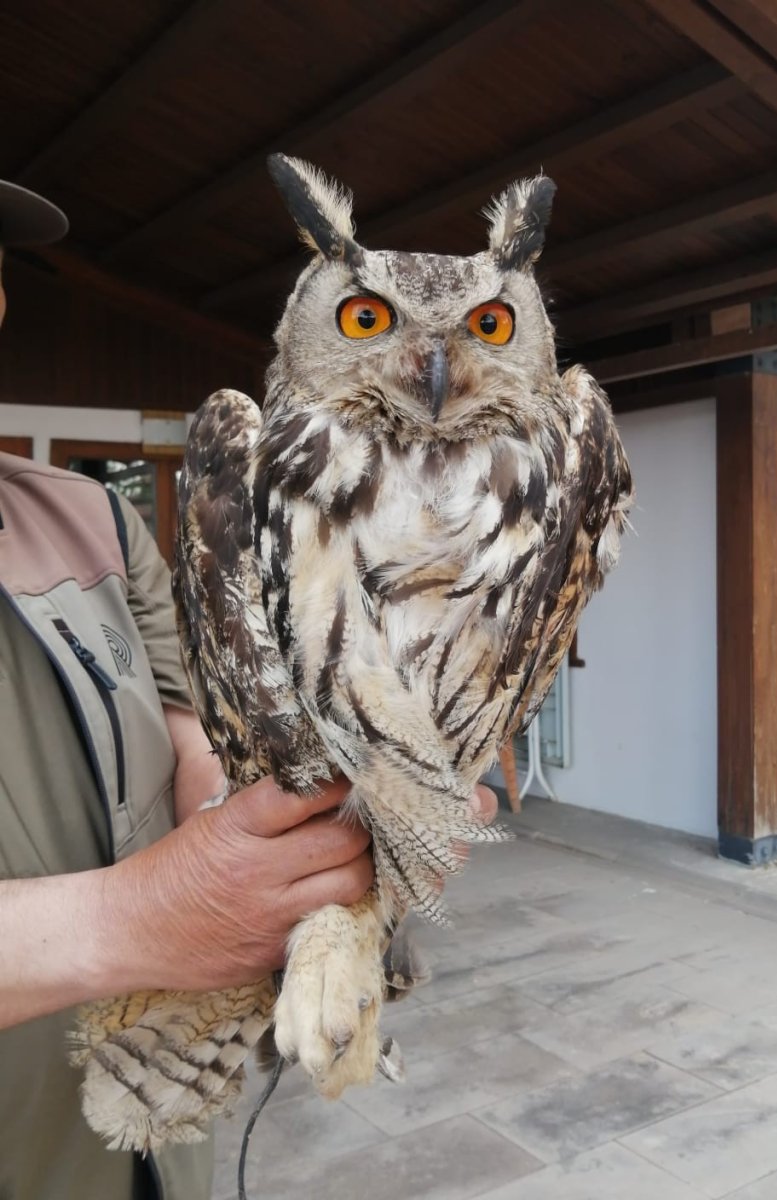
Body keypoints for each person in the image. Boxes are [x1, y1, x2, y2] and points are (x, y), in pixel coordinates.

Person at [0, 180, 496, 1200]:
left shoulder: (91, 519)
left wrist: (309, 856)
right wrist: (143, 918)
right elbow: (157, 906)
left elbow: (199, 733)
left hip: (155, 1137)